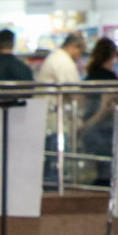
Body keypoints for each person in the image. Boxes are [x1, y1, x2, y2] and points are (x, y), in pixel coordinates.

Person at [38, 32, 84, 184]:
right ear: (74, 46)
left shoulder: (55, 58)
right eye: (79, 52)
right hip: (54, 123)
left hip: (50, 121)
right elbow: (74, 91)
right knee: (54, 165)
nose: (79, 56)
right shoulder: (63, 61)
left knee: (51, 163)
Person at [80, 38, 118, 186]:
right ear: (112, 55)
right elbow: (109, 106)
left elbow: (82, 104)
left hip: (91, 130)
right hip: (106, 131)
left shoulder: (89, 78)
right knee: (107, 173)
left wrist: (87, 124)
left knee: (97, 170)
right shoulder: (111, 79)